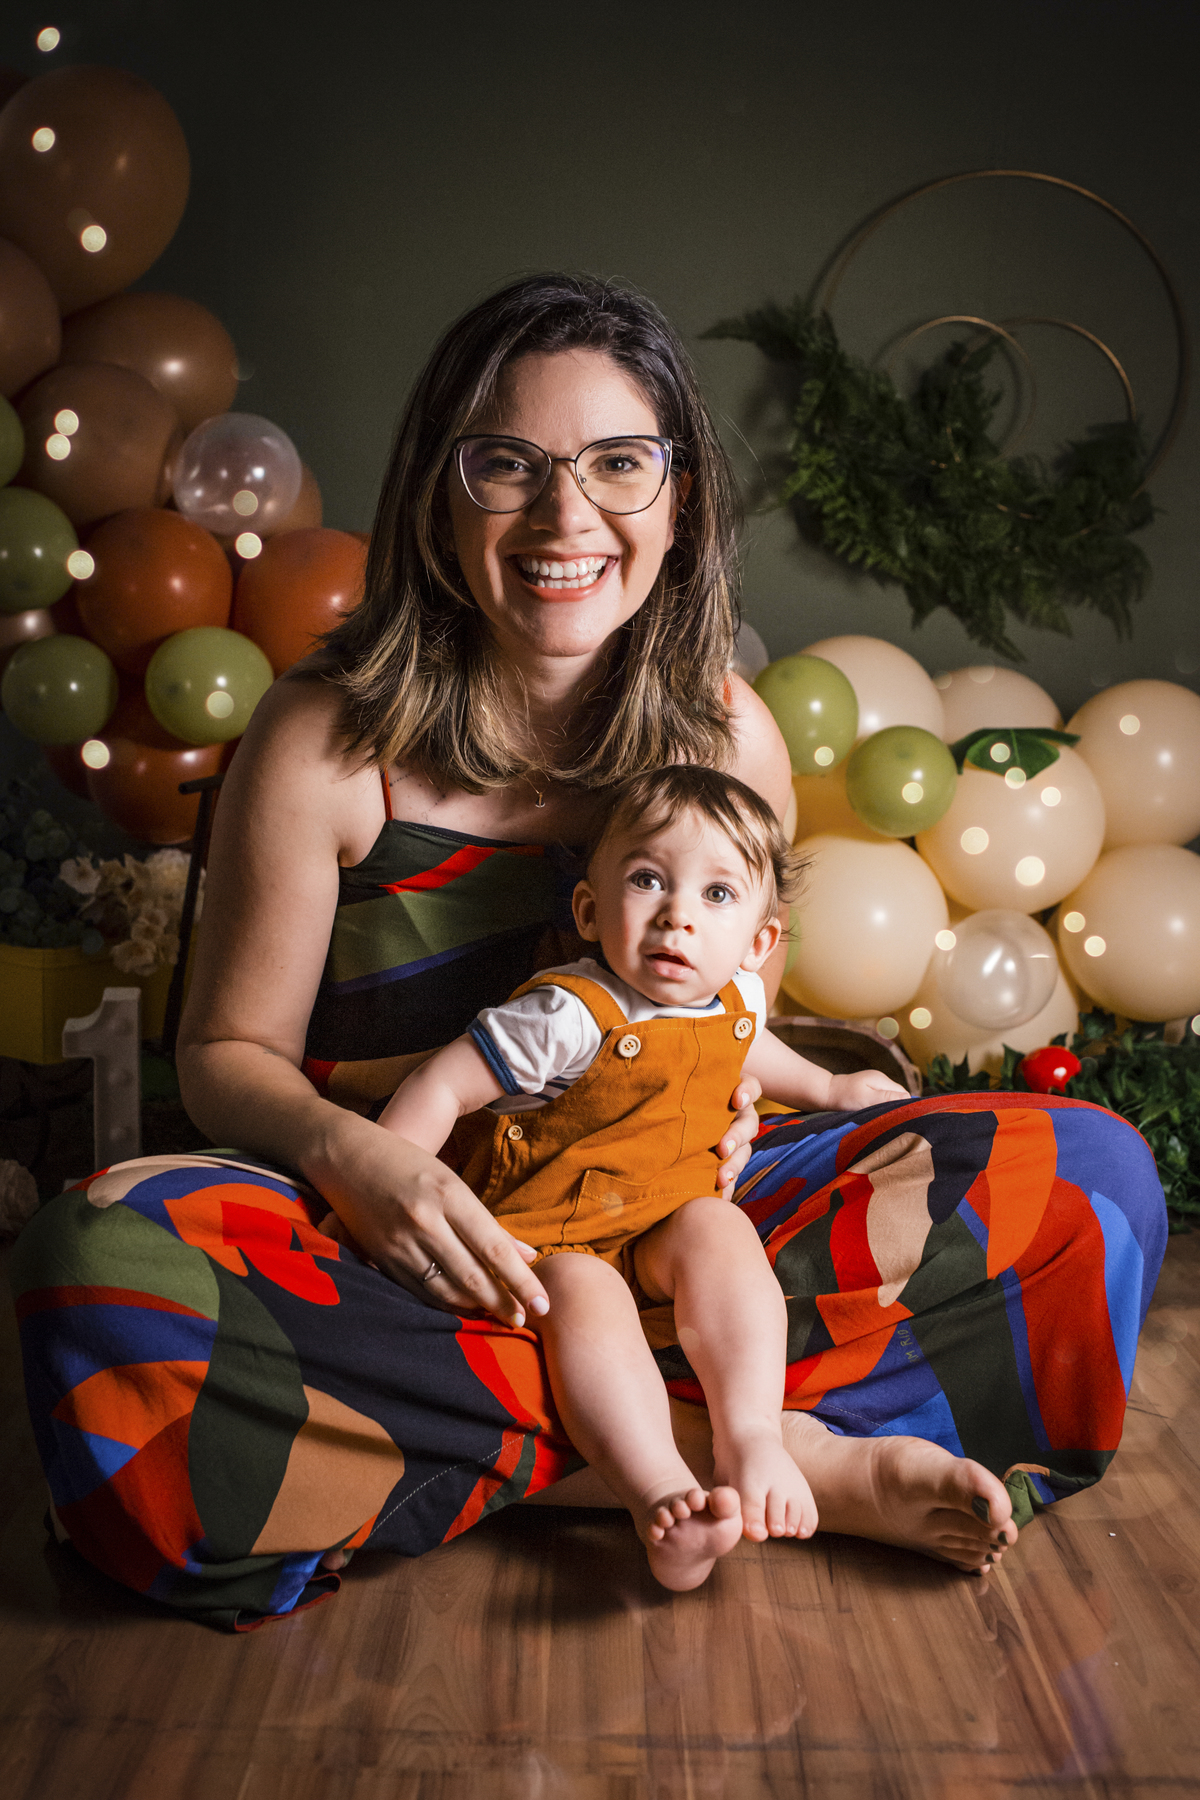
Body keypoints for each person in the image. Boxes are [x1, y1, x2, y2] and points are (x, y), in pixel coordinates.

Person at [11, 273, 1166, 1628]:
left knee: (1094, 1178)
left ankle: (518, 1448)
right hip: (409, 1249)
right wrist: (361, 1162)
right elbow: (223, 1056)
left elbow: (731, 1034)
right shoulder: (327, 736)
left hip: (676, 1240)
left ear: (681, 500)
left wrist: (765, 1121)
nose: (567, 517)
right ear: (439, 499)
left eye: (619, 463)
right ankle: (766, 1461)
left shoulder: (727, 735)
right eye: (508, 465)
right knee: (96, 1267)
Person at [371, 764, 909, 1588]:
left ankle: (751, 1435)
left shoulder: (735, 998)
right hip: (549, 1234)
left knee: (721, 1228)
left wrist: (831, 1089)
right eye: (648, 880)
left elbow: (752, 1047)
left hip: (661, 1222)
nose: (676, 915)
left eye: (717, 895)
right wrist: (387, 1183)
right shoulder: (567, 1014)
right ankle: (659, 1493)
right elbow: (443, 1085)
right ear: (590, 911)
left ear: (759, 944)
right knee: (584, 1294)